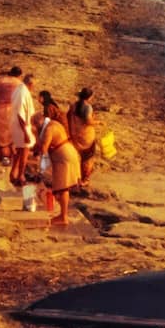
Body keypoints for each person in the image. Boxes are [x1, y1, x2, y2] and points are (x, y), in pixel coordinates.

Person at [33, 94, 82, 226]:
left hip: (64, 157)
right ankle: (62, 214)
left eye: (36, 125)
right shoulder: (53, 124)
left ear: (39, 123)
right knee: (60, 187)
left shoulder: (49, 129)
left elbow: (44, 148)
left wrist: (36, 138)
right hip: (67, 154)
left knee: (63, 187)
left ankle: (63, 216)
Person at [67, 87, 100, 186]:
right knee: (88, 158)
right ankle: (85, 180)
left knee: (80, 156)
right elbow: (88, 121)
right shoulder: (88, 107)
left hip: (76, 135)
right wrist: (98, 122)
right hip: (86, 137)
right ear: (89, 97)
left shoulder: (74, 105)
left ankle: (77, 176)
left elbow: (68, 116)